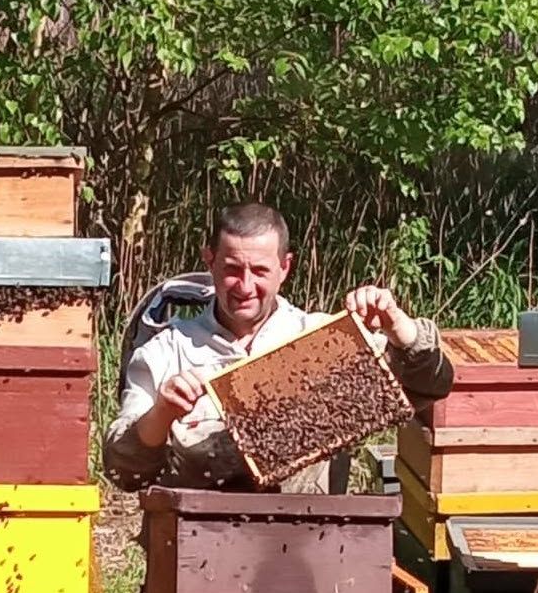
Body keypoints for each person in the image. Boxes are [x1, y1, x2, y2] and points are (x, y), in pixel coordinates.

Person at [103, 202, 453, 493]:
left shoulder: (323, 340)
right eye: (232, 269)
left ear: (285, 268)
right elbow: (125, 473)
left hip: (311, 538)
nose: (245, 286)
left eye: (259, 271)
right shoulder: (165, 352)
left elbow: (431, 385)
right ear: (209, 260)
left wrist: (399, 328)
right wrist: (163, 411)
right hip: (201, 543)